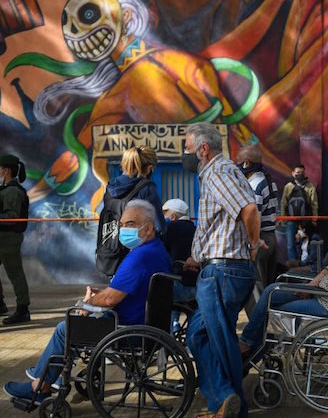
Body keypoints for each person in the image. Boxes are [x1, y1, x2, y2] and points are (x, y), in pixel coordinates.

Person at [3, 200, 171, 404]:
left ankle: (41, 386)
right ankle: (47, 375)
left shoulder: (140, 256)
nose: (123, 229)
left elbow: (110, 299)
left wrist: (89, 301)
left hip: (126, 327)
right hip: (141, 323)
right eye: (122, 224)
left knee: (66, 328)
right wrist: (99, 296)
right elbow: (122, 291)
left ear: (149, 228)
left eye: (131, 224)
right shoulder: (157, 251)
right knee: (79, 321)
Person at [181, 122, 261, 418]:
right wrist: (196, 256)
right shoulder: (214, 174)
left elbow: (249, 209)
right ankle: (224, 402)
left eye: (187, 148)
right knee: (200, 336)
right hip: (217, 268)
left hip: (223, 272)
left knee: (217, 338)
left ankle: (232, 404)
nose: (185, 155)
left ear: (203, 149)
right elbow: (221, 224)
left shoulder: (219, 171)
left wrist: (253, 247)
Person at [239, 203, 328, 353]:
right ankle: (248, 345)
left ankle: (249, 347)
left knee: (272, 310)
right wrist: (312, 284)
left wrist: (310, 289)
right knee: (270, 291)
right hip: (322, 295)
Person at [236, 144, 279, 315]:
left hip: (260, 240)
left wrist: (252, 243)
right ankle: (267, 329)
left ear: (246, 163)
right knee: (266, 287)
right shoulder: (268, 180)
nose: (237, 165)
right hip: (271, 237)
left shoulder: (255, 185)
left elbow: (254, 216)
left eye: (239, 162)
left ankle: (258, 331)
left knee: (255, 288)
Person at [106, 146, 166, 236]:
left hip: (112, 245)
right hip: (139, 245)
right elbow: (159, 227)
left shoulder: (110, 187)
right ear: (149, 168)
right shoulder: (147, 188)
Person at [0, 154, 30, 325]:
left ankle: (23, 309)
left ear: (6, 170)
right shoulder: (6, 189)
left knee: (15, 273)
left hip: (9, 238)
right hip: (2, 237)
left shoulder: (13, 191)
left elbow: (12, 217)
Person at [162, 198, 196, 334]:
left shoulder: (170, 229)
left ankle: (169, 333)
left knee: (162, 290)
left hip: (178, 286)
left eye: (164, 214)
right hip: (196, 286)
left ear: (173, 217)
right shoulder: (195, 229)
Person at [280, 164, 319, 263]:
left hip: (306, 220)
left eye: (302, 173)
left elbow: (314, 204)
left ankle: (304, 263)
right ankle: (293, 263)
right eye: (297, 173)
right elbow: (284, 203)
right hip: (291, 220)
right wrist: (283, 218)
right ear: (293, 174)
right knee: (290, 243)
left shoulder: (310, 186)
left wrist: (314, 219)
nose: (300, 175)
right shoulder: (288, 187)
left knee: (305, 242)